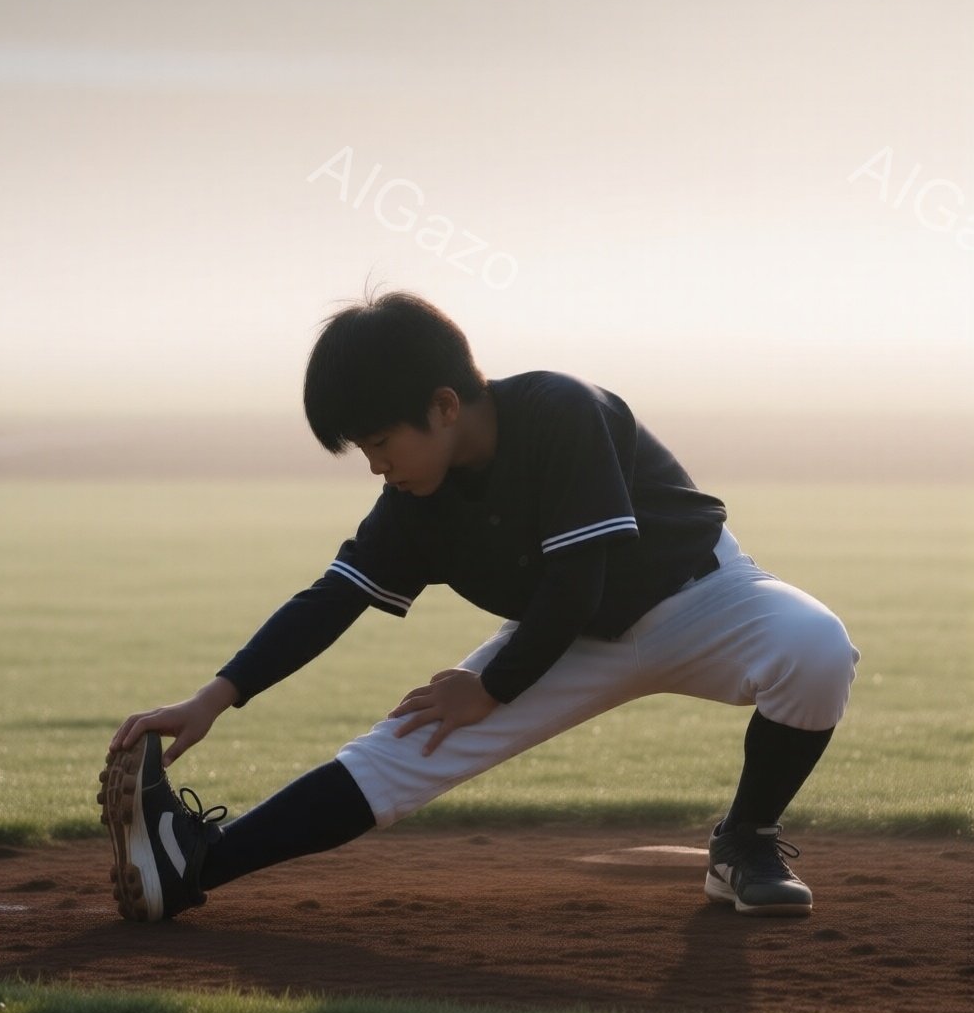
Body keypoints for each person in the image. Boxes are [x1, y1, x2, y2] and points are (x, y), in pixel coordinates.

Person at [100, 289, 860, 924]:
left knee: (816, 647)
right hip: (563, 634)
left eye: (380, 441)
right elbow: (333, 599)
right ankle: (189, 866)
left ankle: (745, 842)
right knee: (400, 754)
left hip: (704, 597)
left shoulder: (561, 410)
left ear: (444, 404)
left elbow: (579, 580)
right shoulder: (413, 500)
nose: (376, 466)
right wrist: (215, 697)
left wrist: (491, 688)